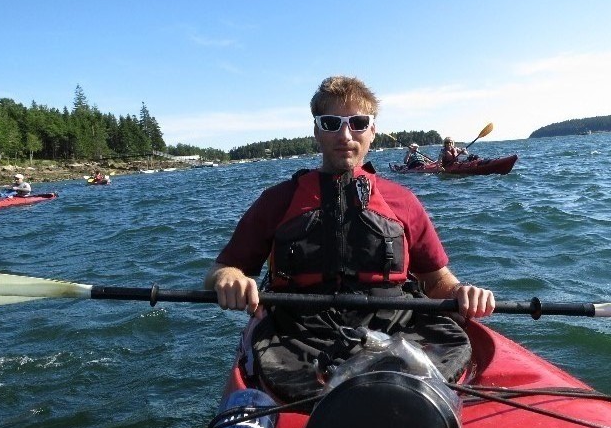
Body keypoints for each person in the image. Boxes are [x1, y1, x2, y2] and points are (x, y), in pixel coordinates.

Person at [204, 75, 495, 403]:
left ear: (372, 131)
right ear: (316, 131)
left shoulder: (403, 202)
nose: (345, 135)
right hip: (298, 335)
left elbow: (439, 284)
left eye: (358, 123)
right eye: (331, 123)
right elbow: (221, 271)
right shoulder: (277, 202)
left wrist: (463, 292)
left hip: (398, 331)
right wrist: (230, 280)